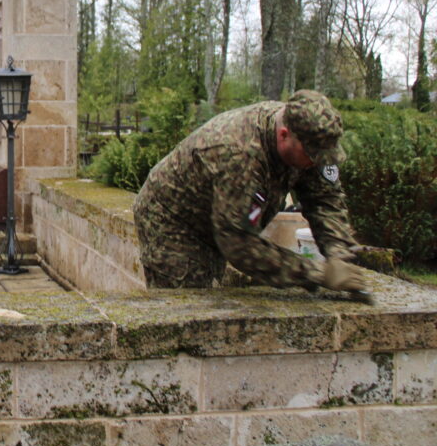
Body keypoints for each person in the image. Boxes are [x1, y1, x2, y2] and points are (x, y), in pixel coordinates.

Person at [132, 89, 368, 296]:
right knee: (189, 307)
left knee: (213, 295)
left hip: (220, 213)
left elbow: (325, 199)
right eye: (312, 155)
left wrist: (339, 256)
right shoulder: (239, 153)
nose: (317, 162)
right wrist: (319, 273)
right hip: (173, 220)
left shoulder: (311, 137)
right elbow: (238, 243)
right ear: (284, 135)